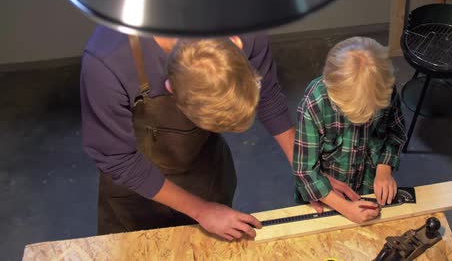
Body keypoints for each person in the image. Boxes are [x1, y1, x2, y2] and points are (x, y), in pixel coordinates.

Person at [80, 26, 357, 241]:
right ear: (171, 88)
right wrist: (201, 210)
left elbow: (269, 97)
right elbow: (118, 158)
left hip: (204, 171)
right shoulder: (108, 60)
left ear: (237, 44)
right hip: (134, 194)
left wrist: (307, 170)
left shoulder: (248, 26)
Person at [292, 37, 407, 223]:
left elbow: (395, 133)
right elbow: (304, 172)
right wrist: (344, 208)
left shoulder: (384, 90)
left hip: (366, 186)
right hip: (327, 195)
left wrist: (384, 170)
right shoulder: (314, 104)